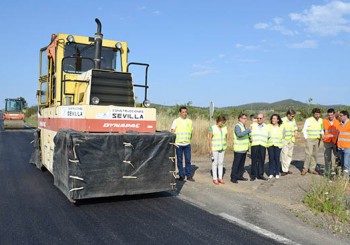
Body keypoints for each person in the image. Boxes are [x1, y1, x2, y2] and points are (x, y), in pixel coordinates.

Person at [171, 106, 195, 181]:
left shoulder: (190, 121)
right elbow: (172, 131)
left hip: (187, 144)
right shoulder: (176, 121)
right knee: (180, 160)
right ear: (180, 113)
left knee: (188, 160)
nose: (185, 113)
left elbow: (191, 132)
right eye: (183, 112)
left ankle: (189, 176)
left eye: (186, 112)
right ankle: (181, 175)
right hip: (179, 144)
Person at [301, 108, 324, 176]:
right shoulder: (308, 120)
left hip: (317, 140)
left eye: (319, 114)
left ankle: (312, 169)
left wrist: (322, 135)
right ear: (313, 114)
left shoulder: (321, 120)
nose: (317, 115)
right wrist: (306, 138)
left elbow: (321, 129)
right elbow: (304, 130)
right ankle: (305, 169)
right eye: (316, 114)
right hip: (310, 140)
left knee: (315, 155)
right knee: (309, 154)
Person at [230, 113, 251, 183]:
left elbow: (245, 135)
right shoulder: (237, 126)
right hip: (238, 149)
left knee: (241, 164)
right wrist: (248, 130)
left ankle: (239, 176)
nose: (246, 120)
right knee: (236, 164)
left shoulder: (244, 126)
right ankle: (233, 178)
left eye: (246, 118)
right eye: (244, 118)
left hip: (244, 149)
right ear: (240, 119)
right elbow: (239, 135)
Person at [208, 115, 227, 185]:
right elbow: (209, 139)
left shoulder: (225, 128)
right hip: (215, 148)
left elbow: (226, 137)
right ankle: (215, 178)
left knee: (221, 163)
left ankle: (220, 178)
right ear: (218, 121)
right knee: (214, 163)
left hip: (222, 148)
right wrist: (210, 149)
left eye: (223, 122)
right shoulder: (212, 128)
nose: (222, 123)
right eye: (221, 122)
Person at [250, 113, 268, 181]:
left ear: (263, 119)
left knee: (261, 160)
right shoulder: (253, 125)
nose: (259, 119)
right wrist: (250, 137)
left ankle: (260, 175)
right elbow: (249, 133)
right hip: (255, 145)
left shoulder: (266, 126)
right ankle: (253, 175)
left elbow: (268, 135)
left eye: (260, 118)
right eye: (258, 118)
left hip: (263, 145)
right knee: (254, 160)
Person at [323, 108, 340, 177]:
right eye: (329, 115)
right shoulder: (324, 121)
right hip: (327, 142)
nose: (330, 116)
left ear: (334, 114)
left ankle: (337, 172)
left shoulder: (338, 121)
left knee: (337, 158)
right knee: (327, 158)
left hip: (336, 142)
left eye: (332, 115)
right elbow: (322, 130)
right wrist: (322, 135)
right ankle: (328, 172)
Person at [280, 109, 298, 176]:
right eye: (292, 116)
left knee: (289, 155)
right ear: (288, 115)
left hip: (291, 139)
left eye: (293, 116)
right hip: (284, 140)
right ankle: (284, 170)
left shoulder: (293, 120)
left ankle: (286, 168)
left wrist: (296, 131)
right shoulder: (282, 120)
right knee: (284, 155)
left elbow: (295, 127)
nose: (293, 117)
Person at [267, 114, 285, 179]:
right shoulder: (268, 126)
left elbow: (284, 135)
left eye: (274, 118)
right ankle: (271, 173)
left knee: (277, 159)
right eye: (272, 118)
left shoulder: (282, 126)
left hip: (278, 145)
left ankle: (277, 173)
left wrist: (281, 143)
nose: (273, 120)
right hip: (270, 145)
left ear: (278, 120)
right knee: (271, 159)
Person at [337, 110, 350, 177]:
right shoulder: (340, 124)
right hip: (340, 148)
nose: (340, 117)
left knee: (346, 164)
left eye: (341, 116)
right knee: (342, 164)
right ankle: (344, 177)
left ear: (345, 116)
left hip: (348, 148)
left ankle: (346, 179)